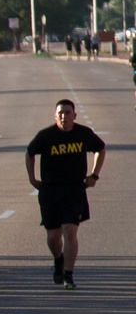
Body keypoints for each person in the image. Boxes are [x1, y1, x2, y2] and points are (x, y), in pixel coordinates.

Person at [26, 99, 106, 290]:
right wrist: (32, 178)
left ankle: (69, 275)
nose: (64, 116)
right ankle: (59, 260)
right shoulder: (46, 136)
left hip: (74, 189)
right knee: (53, 236)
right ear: (55, 116)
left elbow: (100, 149)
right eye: (60, 113)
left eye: (68, 113)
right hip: (51, 191)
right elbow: (30, 153)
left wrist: (94, 175)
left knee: (70, 230)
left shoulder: (83, 133)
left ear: (74, 115)